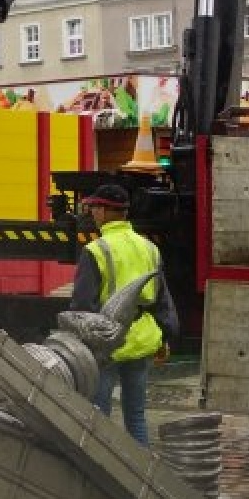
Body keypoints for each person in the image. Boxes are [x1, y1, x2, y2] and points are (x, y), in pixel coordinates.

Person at [69, 183, 178, 445]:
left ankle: (103, 466)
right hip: (141, 339)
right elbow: (162, 298)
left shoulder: (96, 250)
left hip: (106, 345)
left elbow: (82, 306)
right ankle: (141, 467)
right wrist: (165, 336)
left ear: (106, 211)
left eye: (95, 207)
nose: (92, 213)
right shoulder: (149, 248)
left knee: (99, 418)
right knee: (136, 416)